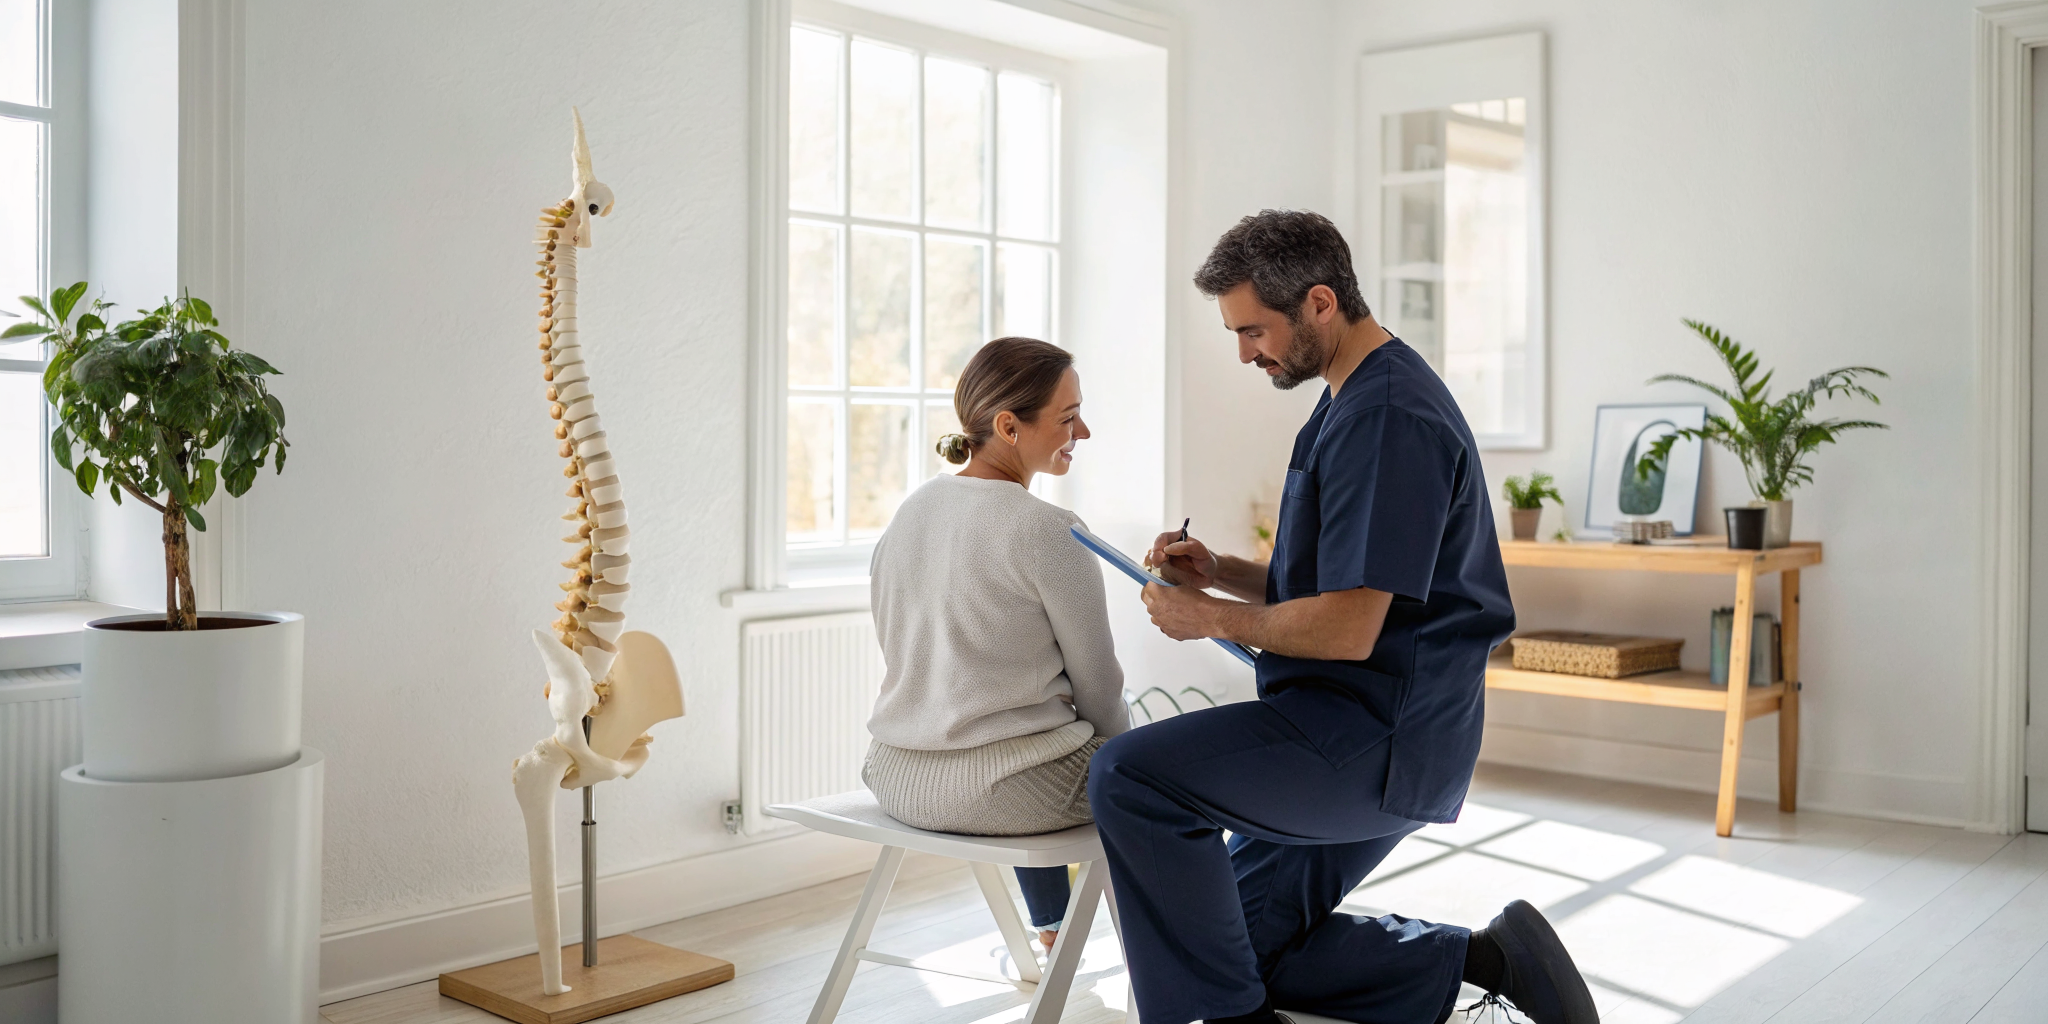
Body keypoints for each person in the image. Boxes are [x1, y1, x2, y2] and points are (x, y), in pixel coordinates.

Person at [1087, 211, 1596, 1024]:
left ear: (1320, 302)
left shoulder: (1387, 417)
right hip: (1352, 723)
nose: (1246, 352)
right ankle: (1490, 959)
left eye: (1254, 330)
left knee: (1128, 776)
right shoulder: (1350, 398)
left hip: (1375, 740)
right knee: (1243, 944)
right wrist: (1225, 574)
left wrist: (1207, 617)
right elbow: (1337, 582)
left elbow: (1350, 627)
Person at [863, 336, 1130, 952]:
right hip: (998, 793)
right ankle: (1192, 952)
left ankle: (1052, 928)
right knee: (1154, 768)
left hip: (897, 775)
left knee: (1036, 736)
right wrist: (1125, 762)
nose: (1082, 432)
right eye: (1068, 418)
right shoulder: (1047, 529)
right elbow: (1099, 684)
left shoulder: (910, 512)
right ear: (1009, 426)